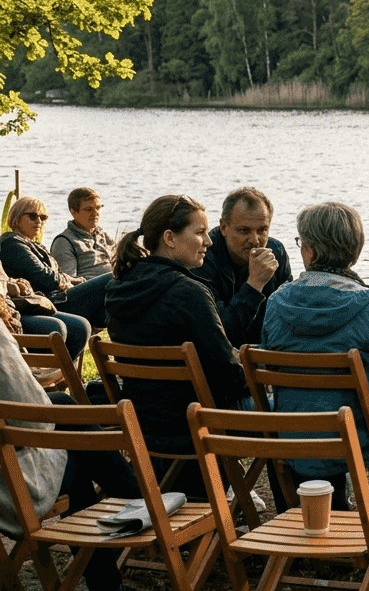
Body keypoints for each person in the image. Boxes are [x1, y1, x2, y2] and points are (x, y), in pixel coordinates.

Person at [260, 201, 369, 510]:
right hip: (359, 438)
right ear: (354, 249)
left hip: (294, 435)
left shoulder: (275, 303)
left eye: (302, 243)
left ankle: (330, 512)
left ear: (312, 250)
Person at [104, 195, 251, 464]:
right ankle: (305, 501)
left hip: (144, 427)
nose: (209, 241)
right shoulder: (189, 292)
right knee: (287, 406)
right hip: (194, 427)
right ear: (170, 238)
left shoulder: (120, 287)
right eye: (200, 232)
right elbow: (227, 377)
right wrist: (256, 372)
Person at [0, 320, 140, 591]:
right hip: (8, 490)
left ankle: (136, 499)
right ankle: (143, 503)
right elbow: (33, 416)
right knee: (73, 453)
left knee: (63, 410)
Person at [189, 186, 293, 348]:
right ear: (224, 227)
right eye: (244, 230)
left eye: (262, 230)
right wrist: (254, 285)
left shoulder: (276, 251)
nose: (255, 240)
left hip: (265, 354)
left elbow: (288, 316)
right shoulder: (203, 257)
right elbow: (220, 334)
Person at [1, 196, 110, 329]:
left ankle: (123, 347)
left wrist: (72, 281)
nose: (39, 221)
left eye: (43, 217)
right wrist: (70, 280)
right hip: (52, 302)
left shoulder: (35, 244)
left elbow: (54, 275)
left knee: (109, 312)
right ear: (17, 217)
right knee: (110, 279)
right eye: (33, 216)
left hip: (60, 297)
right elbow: (44, 277)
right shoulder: (12, 243)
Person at [0, 266, 91, 360]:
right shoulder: (14, 250)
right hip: (11, 313)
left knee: (82, 326)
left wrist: (15, 284)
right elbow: (43, 276)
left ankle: (65, 372)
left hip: (24, 305)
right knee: (59, 328)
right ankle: (36, 370)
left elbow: (6, 280)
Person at [50, 187, 115, 279]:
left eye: (98, 208)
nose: (96, 213)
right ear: (73, 212)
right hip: (91, 288)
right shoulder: (64, 242)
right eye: (89, 209)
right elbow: (69, 282)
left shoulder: (102, 234)